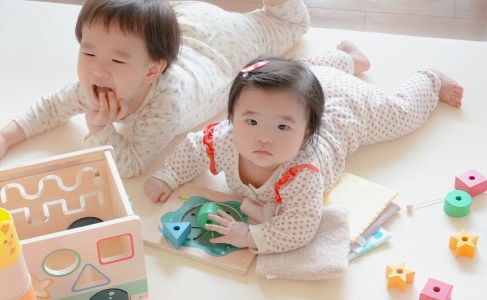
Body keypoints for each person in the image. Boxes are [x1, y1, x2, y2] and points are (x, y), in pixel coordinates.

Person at [143, 44, 463, 254]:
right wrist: (168, 175)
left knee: (401, 116)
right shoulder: (226, 138)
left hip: (346, 107)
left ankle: (430, 79)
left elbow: (301, 226)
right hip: (308, 83)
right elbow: (194, 147)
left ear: (307, 133)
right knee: (301, 70)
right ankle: (349, 58)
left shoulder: (302, 174)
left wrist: (249, 236)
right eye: (251, 121)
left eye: (282, 128)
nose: (264, 138)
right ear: (232, 118)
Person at [0, 0, 310, 178]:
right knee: (150, 20)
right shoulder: (98, 82)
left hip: (227, 47)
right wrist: (0, 139)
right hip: (187, 20)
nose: (97, 69)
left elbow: (134, 164)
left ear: (152, 71)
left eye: (116, 60)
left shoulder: (166, 103)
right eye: (88, 52)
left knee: (292, 26)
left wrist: (100, 129)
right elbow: (50, 107)